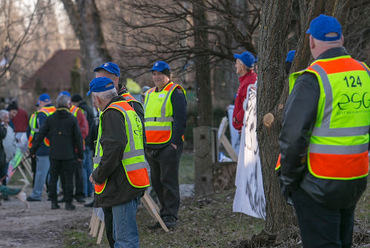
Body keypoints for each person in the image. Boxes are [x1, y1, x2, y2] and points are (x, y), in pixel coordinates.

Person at [278, 14, 369, 248]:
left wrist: (289, 181)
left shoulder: (313, 77)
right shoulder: (364, 73)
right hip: (355, 178)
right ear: (342, 38)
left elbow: (293, 137)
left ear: (311, 42)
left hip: (318, 182)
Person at [88, 77, 149, 248]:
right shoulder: (126, 108)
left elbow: (114, 148)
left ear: (97, 98)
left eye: (93, 99)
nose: (94, 103)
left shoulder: (112, 113)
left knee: (124, 240)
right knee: (122, 236)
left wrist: (98, 174)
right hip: (131, 179)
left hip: (122, 183)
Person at [144, 61, 187, 229]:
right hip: (152, 146)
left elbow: (180, 119)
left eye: (159, 74)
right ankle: (163, 214)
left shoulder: (175, 92)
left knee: (168, 181)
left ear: (168, 75)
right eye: (154, 74)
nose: (156, 77)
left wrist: (175, 143)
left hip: (168, 145)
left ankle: (171, 216)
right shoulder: (148, 94)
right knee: (156, 182)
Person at [30, 94, 83, 210]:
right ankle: (68, 203)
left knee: (53, 178)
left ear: (57, 105)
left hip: (54, 154)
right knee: (69, 179)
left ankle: (54, 202)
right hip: (69, 154)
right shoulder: (72, 119)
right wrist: (80, 155)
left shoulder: (50, 119)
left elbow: (40, 135)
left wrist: (33, 150)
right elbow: (78, 138)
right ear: (67, 105)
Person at [58, 91, 88, 203]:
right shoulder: (58, 113)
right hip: (65, 149)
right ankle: (67, 195)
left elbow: (84, 130)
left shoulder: (77, 112)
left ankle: (79, 194)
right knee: (64, 174)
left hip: (76, 148)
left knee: (78, 173)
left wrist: (73, 139)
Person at [27, 94, 56, 202]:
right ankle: (54, 193)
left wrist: (34, 148)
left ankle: (36, 194)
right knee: (52, 172)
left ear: (41, 102)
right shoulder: (55, 110)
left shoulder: (41, 114)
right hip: (54, 146)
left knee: (40, 172)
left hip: (43, 146)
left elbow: (41, 132)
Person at [71, 94, 95, 198]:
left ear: (75, 102)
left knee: (82, 169)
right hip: (90, 142)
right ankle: (90, 191)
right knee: (89, 168)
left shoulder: (80, 111)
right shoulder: (89, 109)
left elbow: (81, 128)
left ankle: (84, 191)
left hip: (84, 142)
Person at [232, 51, 257, 131]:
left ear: (242, 67)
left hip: (247, 129)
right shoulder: (247, 80)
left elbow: (250, 104)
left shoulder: (249, 82)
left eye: (237, 64)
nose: (235, 66)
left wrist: (238, 119)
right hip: (244, 127)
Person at [0, 110, 17, 186]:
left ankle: (4, 194)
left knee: (4, 177)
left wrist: (14, 152)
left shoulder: (9, 128)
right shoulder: (2, 128)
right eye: (6, 118)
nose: (8, 120)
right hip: (2, 158)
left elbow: (13, 141)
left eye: (8, 118)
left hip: (7, 158)